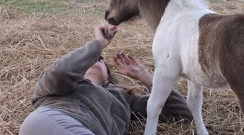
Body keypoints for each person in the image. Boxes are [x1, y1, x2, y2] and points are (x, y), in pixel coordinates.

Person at [19, 25, 192, 135]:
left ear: (108, 73)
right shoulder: (59, 85)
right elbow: (62, 70)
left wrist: (145, 76)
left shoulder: (123, 99)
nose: (95, 60)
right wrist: (98, 44)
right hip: (49, 122)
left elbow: (182, 113)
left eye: (100, 59)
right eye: (90, 58)